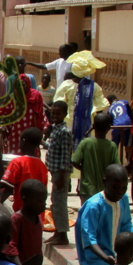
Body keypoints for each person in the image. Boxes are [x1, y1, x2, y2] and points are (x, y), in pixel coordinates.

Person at [54, 51, 110, 143]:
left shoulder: (66, 85)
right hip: (87, 125)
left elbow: (58, 104)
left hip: (68, 124)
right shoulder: (94, 86)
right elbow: (100, 108)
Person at [72, 111, 119, 203]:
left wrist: (84, 168)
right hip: (105, 190)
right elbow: (116, 166)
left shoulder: (85, 143)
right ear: (109, 128)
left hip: (87, 188)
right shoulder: (112, 146)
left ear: (93, 127)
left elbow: (74, 161)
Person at [45, 101, 74, 246]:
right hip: (54, 171)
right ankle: (57, 231)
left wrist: (62, 177)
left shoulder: (65, 132)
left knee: (60, 203)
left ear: (65, 114)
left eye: (58, 114)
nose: (54, 116)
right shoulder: (55, 129)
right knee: (55, 203)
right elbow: (52, 148)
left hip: (60, 174)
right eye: (53, 113)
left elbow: (65, 156)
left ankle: (62, 234)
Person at [0, 127, 47, 211]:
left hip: (22, 214)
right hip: (38, 217)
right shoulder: (42, 166)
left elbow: (7, 189)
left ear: (24, 142)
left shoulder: (17, 162)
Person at [0, 75, 47, 155]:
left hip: (31, 133)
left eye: (23, 85)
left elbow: (41, 113)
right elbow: (2, 113)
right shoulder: (12, 98)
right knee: (14, 156)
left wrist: (42, 129)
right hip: (14, 134)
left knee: (31, 155)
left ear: (28, 84)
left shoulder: (36, 96)